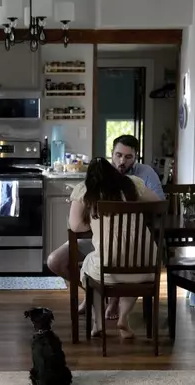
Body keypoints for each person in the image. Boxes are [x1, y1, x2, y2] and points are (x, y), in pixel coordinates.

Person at [46, 158, 161, 329]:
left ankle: (98, 322)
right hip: (147, 267)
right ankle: (123, 318)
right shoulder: (133, 184)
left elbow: (76, 226)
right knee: (130, 267)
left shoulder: (86, 189)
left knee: (89, 267)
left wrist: (96, 222)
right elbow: (157, 203)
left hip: (108, 264)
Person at [111, 135, 165, 200]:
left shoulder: (147, 172)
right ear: (112, 153)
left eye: (128, 157)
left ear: (135, 157)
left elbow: (161, 204)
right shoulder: (102, 172)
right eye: (118, 155)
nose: (122, 161)